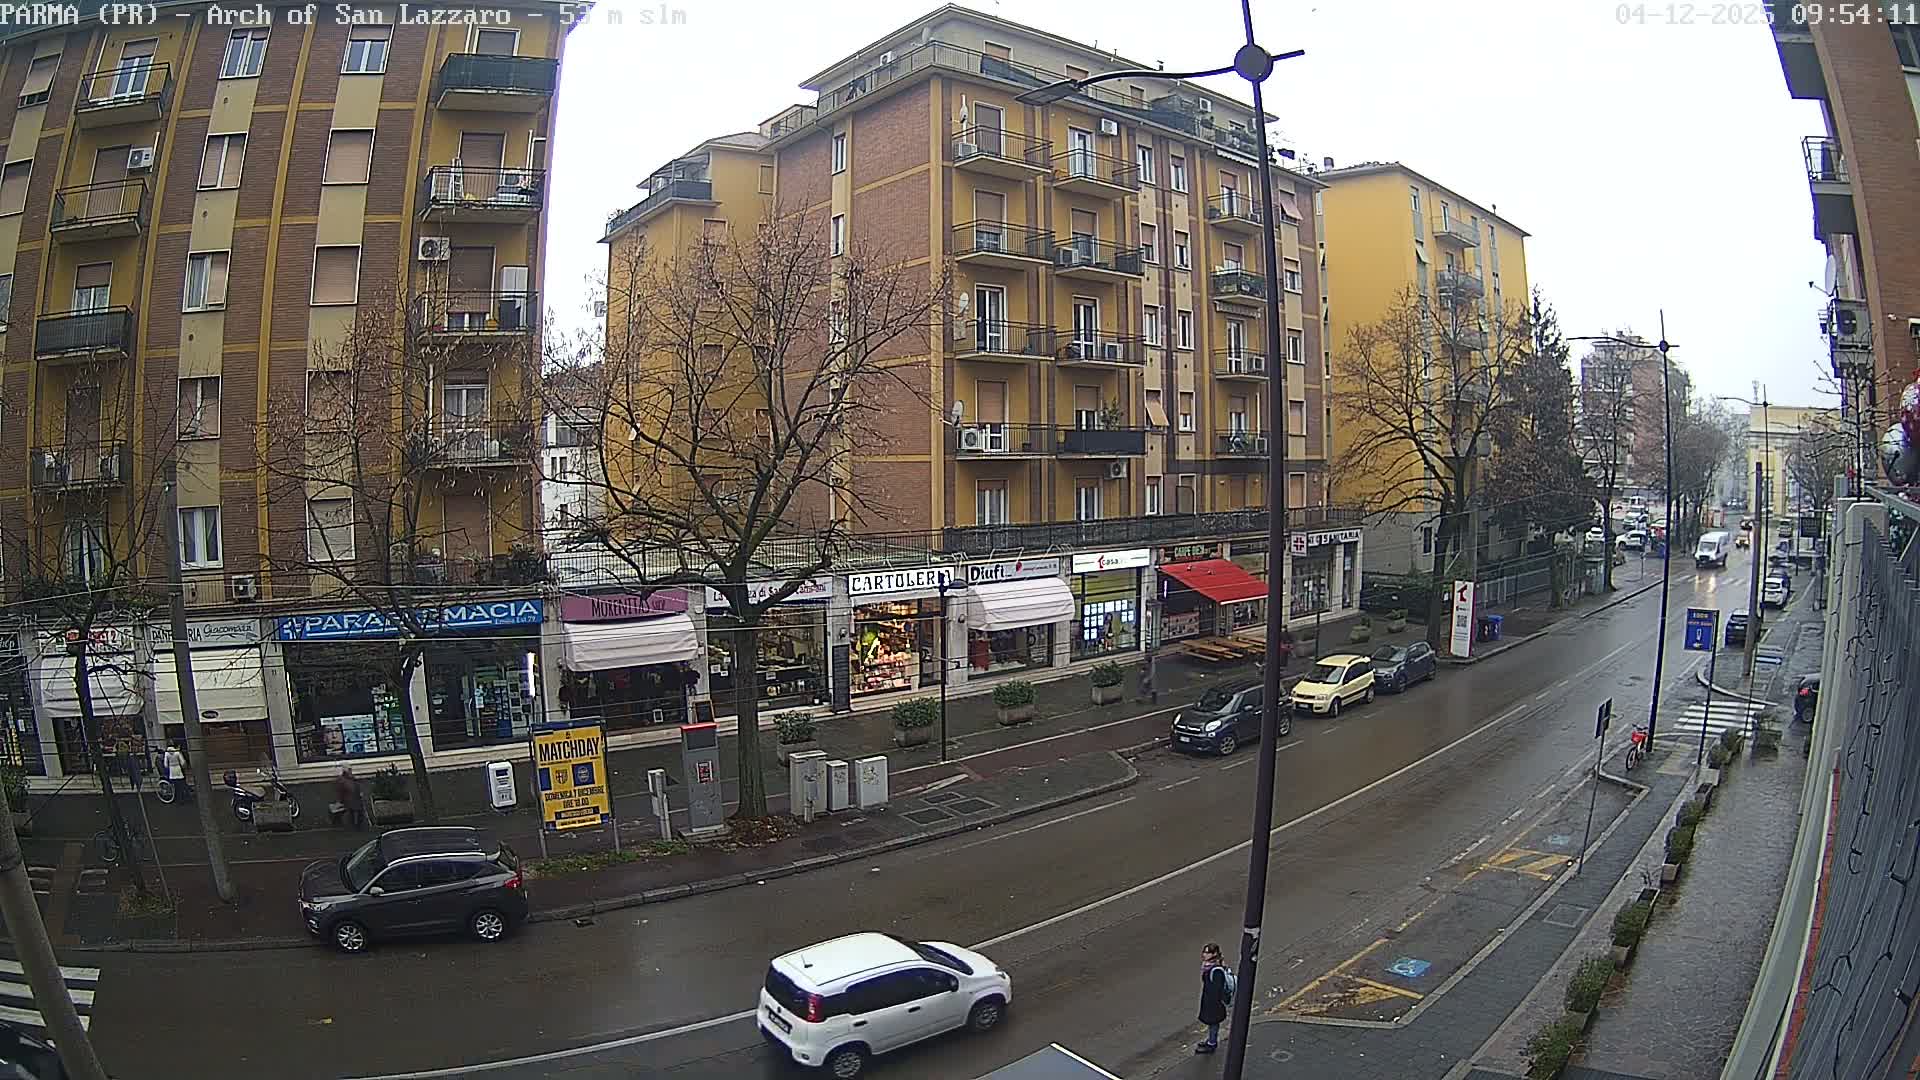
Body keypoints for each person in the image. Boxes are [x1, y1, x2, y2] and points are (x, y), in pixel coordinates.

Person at [1196, 942, 1233, 1054]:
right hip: (1210, 1000)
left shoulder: (1216, 970)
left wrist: (1214, 1001)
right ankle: (1210, 1040)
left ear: (1214, 954)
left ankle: (1212, 1044)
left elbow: (1217, 989)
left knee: (1213, 1023)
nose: (1204, 954)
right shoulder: (1208, 966)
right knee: (1212, 1022)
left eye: (1207, 952)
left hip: (1214, 1002)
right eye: (1204, 952)